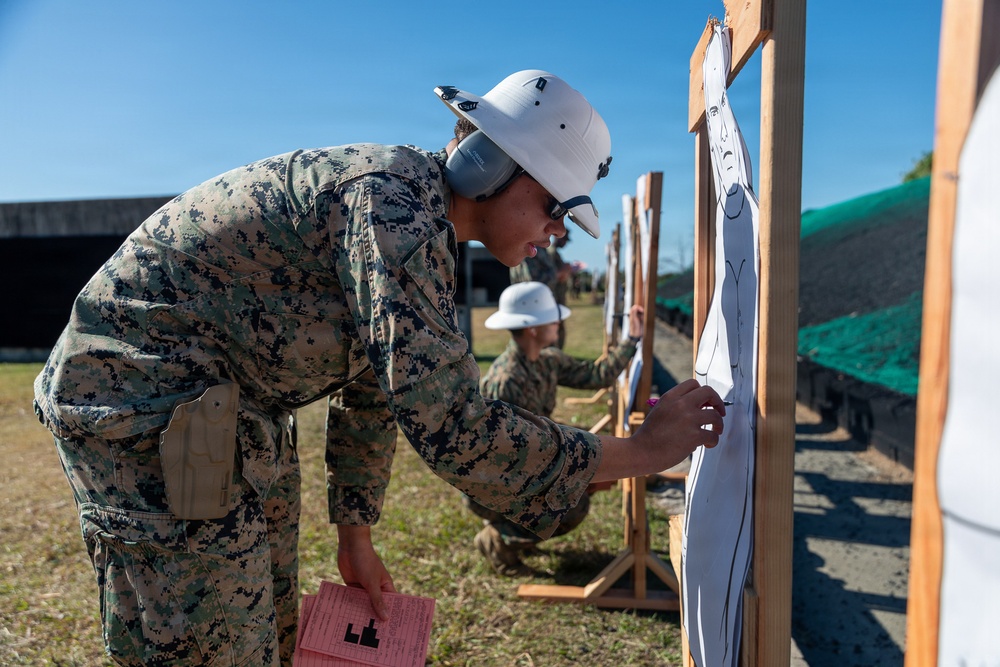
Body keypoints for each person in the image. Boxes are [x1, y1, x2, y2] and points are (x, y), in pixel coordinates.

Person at [33, 69, 725, 666]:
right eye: (554, 205)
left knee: (268, 621)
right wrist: (639, 452)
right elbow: (452, 424)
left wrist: (355, 535)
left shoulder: (419, 224)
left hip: (228, 407)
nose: (557, 231)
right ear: (489, 166)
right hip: (143, 401)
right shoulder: (394, 210)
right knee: (211, 637)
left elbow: (371, 389)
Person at [469, 281, 645, 574]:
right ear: (532, 329)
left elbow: (597, 375)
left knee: (580, 480)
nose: (559, 324)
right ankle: (498, 539)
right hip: (494, 481)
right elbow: (507, 458)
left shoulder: (547, 360)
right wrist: (572, 475)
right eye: (552, 319)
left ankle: (518, 528)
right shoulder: (507, 381)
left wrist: (632, 339)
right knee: (572, 506)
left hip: (524, 466)